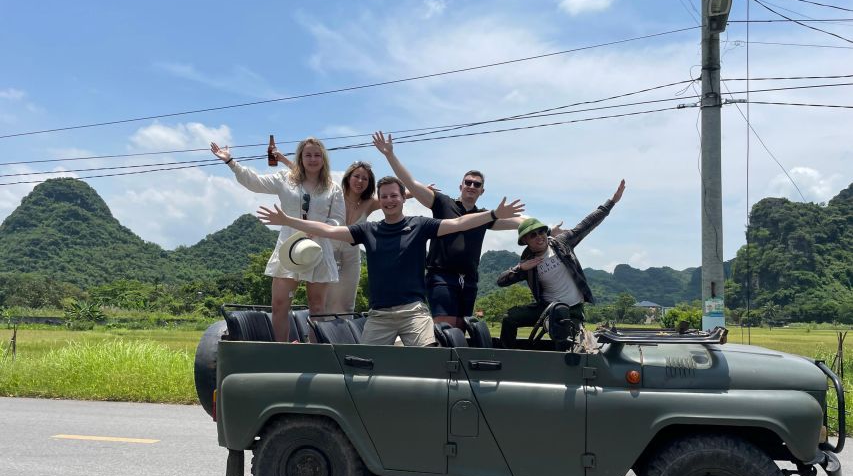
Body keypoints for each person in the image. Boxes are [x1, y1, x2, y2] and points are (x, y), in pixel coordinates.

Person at [257, 176, 524, 346]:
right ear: (380, 201)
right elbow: (327, 230)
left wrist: (492, 214)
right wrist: (288, 220)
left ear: (402, 198)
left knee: (431, 360)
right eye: (384, 196)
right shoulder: (368, 230)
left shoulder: (420, 225)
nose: (389, 200)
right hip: (379, 315)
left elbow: (458, 222)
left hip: (413, 312)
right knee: (364, 367)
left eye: (394, 195)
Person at [371, 131, 533, 331]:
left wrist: (548, 229)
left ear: (482, 191)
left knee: (462, 328)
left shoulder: (485, 216)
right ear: (461, 186)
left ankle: (455, 362)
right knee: (446, 329)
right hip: (441, 276)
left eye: (477, 184)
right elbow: (411, 183)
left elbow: (520, 222)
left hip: (470, 279)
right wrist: (389, 155)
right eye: (468, 182)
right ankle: (437, 361)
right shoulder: (442, 203)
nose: (471, 186)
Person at [210, 137, 344, 341]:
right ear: (300, 157)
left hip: (318, 249)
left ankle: (315, 352)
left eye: (317, 155)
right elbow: (254, 182)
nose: (313, 159)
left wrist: (319, 230)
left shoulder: (332, 188)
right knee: (279, 304)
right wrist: (230, 162)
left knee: (317, 307)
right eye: (308, 155)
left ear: (323, 159)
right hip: (288, 248)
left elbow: (338, 220)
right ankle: (282, 350)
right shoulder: (286, 178)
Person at [496, 180, 626, 349]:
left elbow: (586, 225)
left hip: (571, 310)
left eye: (541, 232)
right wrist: (520, 268)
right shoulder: (528, 261)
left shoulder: (561, 244)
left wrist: (612, 202)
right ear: (526, 241)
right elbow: (501, 281)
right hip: (546, 308)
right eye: (533, 235)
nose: (539, 237)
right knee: (509, 317)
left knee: (564, 342)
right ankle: (507, 357)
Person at [325, 161, 380, 314]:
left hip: (351, 257)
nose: (360, 181)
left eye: (365, 179)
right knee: (323, 299)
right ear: (348, 177)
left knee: (346, 302)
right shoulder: (334, 193)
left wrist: (420, 191)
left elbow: (394, 196)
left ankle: (343, 336)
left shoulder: (369, 203)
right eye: (357, 176)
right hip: (328, 252)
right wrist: (282, 159)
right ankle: (316, 336)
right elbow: (312, 176)